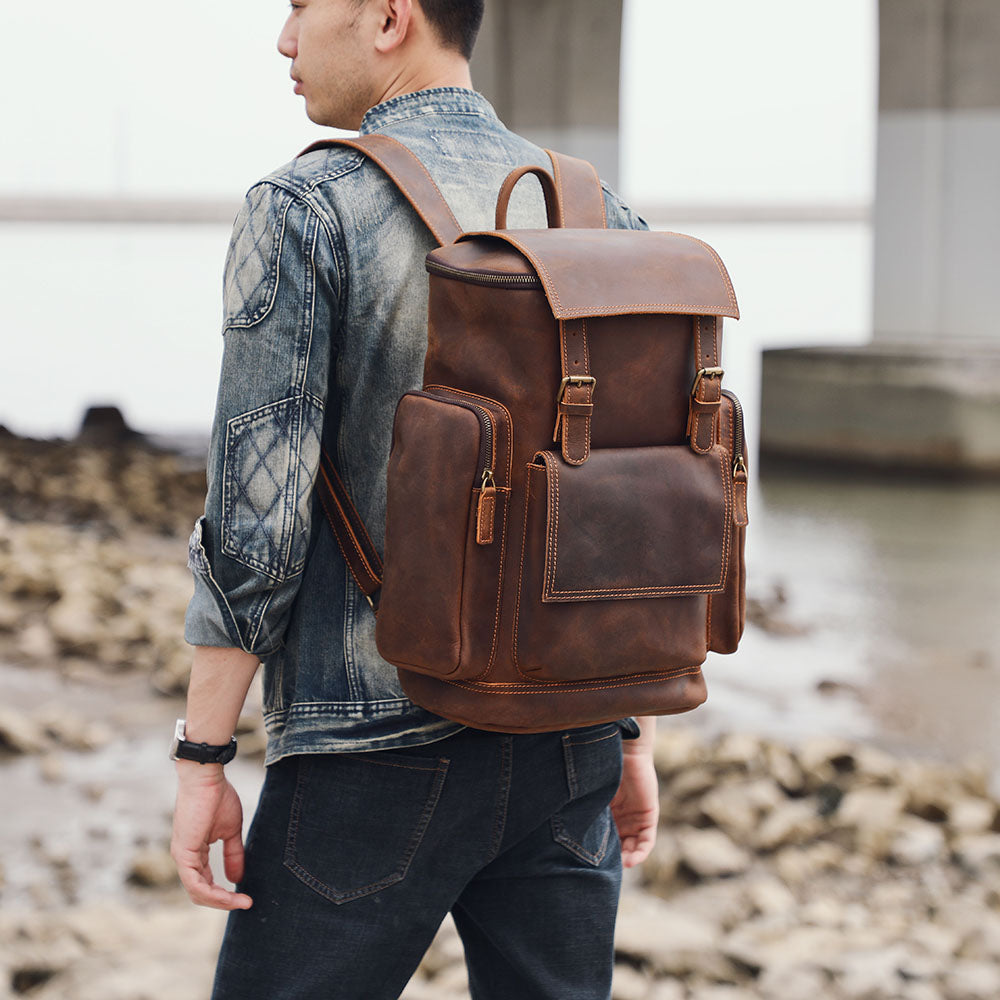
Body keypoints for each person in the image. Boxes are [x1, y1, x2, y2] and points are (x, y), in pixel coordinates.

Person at [170, 1, 659, 997]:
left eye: (301, 6)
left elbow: (259, 527)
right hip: (568, 738)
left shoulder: (306, 207)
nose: (284, 38)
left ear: (390, 16)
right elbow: (615, 510)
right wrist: (626, 730)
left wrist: (203, 756)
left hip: (371, 744)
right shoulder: (594, 209)